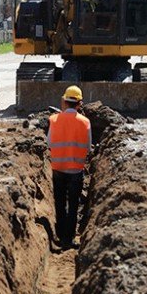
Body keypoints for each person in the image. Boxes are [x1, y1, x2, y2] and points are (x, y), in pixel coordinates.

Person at [47, 85, 92, 249]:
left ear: (64, 102)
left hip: (58, 167)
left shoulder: (54, 119)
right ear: (79, 104)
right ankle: (69, 238)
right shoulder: (85, 122)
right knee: (73, 204)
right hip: (76, 169)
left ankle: (60, 235)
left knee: (59, 202)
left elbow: (49, 143)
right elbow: (88, 146)